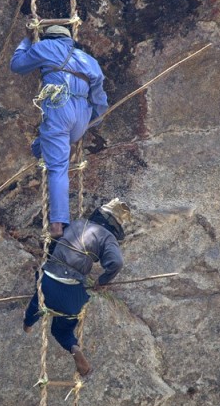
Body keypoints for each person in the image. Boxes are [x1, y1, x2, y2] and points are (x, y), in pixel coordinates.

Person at [10, 25, 108, 238]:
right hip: (81, 118)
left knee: (57, 168)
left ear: (49, 37)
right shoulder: (88, 60)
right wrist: (95, 121)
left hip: (59, 109)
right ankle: (40, 150)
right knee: (45, 147)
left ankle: (57, 225)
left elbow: (17, 65)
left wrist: (26, 42)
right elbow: (100, 99)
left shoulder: (45, 47)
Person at [22, 198, 131, 376]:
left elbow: (55, 239)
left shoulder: (79, 223)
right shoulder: (108, 238)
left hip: (49, 280)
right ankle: (75, 350)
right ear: (116, 225)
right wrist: (102, 281)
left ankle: (28, 323)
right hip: (73, 294)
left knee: (38, 299)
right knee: (62, 330)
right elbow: (116, 263)